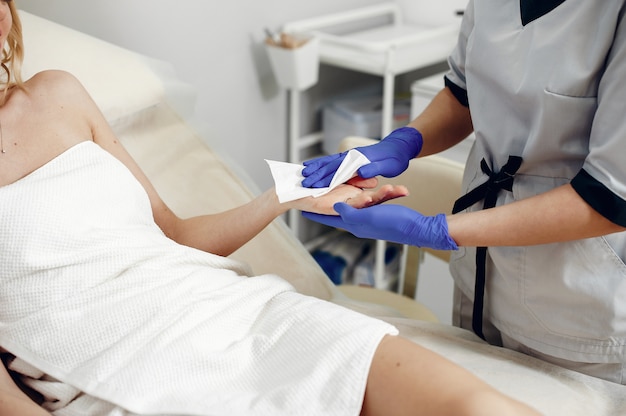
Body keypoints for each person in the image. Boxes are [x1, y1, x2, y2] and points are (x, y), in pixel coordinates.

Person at [0, 1, 541, 415]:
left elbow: (174, 235)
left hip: (230, 311)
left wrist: (285, 195)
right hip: (109, 371)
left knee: (476, 405)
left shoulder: (59, 96)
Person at [302, 0, 626, 385]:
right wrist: (404, 142)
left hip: (574, 306)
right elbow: (463, 94)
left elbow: (608, 199)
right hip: (479, 276)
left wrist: (434, 230)